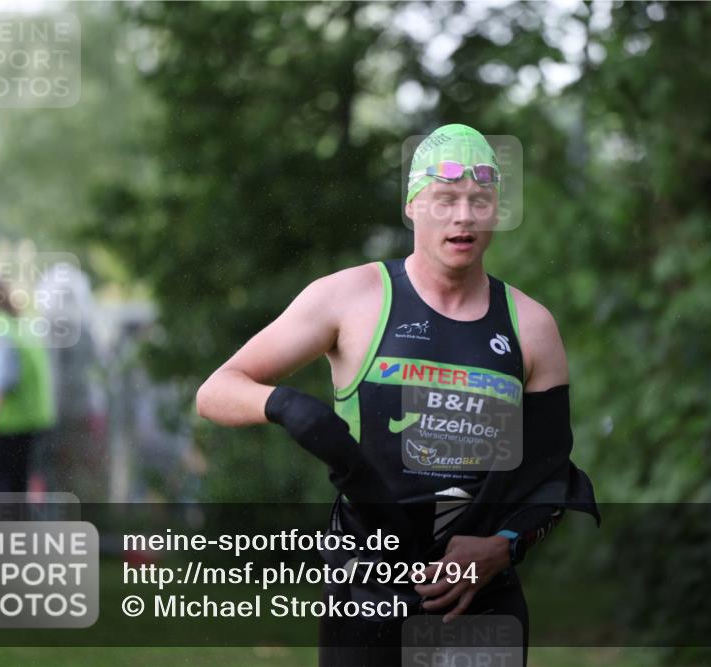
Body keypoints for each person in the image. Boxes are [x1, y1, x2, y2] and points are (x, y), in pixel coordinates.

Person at [197, 123, 600, 665]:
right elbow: (216, 390)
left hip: (477, 599)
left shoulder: (531, 326)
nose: (463, 216)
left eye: (480, 201)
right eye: (445, 199)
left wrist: (502, 547)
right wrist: (290, 408)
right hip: (367, 590)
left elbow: (551, 474)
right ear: (413, 205)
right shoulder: (350, 298)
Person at [0, 278, 56, 494]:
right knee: (17, 490)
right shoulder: (21, 326)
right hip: (31, 422)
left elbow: (3, 380)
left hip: (7, 425)